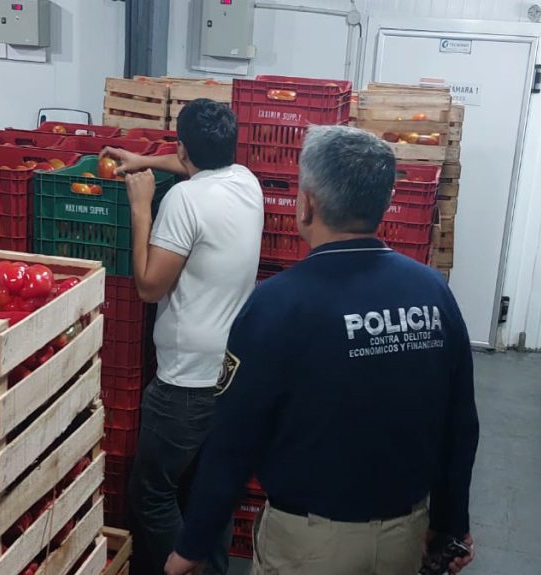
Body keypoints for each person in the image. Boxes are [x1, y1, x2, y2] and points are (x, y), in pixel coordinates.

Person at [163, 126, 480, 575]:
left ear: (306, 203)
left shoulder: (276, 305)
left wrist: (192, 545)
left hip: (308, 546)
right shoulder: (432, 292)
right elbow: (460, 425)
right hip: (404, 538)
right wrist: (450, 523)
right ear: (385, 202)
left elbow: (233, 443)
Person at [103, 98, 264, 575]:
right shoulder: (246, 182)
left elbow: (150, 287)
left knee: (151, 493)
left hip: (184, 382)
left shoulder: (183, 200)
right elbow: (193, 163)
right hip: (230, 372)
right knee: (207, 493)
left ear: (183, 147)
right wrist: (146, 160)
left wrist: (141, 208)